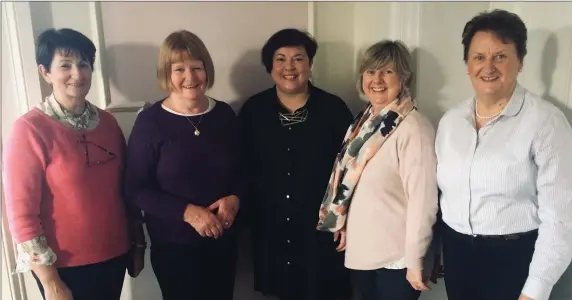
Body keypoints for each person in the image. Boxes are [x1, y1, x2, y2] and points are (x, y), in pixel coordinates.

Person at [436, 9, 572, 300]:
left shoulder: (546, 122)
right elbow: (443, 196)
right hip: (457, 254)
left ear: (520, 61)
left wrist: (536, 289)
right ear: (467, 64)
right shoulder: (450, 122)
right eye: (479, 57)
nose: (488, 67)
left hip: (513, 260)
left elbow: (561, 217)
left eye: (500, 56)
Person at [2, 28, 145, 300]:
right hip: (63, 268)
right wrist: (50, 281)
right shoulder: (29, 130)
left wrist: (138, 244)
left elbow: (127, 190)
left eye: (83, 64)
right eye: (65, 65)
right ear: (45, 72)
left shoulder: (108, 123)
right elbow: (22, 215)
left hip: (114, 256)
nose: (77, 74)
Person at [124, 30, 242, 300]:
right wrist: (188, 212)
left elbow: (243, 170)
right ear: (167, 74)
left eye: (196, 67)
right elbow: (135, 188)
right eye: (179, 69)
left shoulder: (224, 114)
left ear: (206, 70)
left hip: (222, 243)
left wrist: (236, 197)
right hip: (174, 248)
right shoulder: (150, 122)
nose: (190, 77)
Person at [316, 40, 439, 300]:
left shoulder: (413, 127)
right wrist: (344, 222)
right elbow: (355, 186)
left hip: (396, 259)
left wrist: (416, 260)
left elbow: (423, 200)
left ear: (404, 78)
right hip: (364, 253)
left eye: (388, 71)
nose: (377, 79)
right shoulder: (364, 123)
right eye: (371, 71)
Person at [239, 28, 353, 300]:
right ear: (270, 66)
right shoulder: (254, 111)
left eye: (298, 58)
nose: (289, 67)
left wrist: (348, 220)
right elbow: (242, 167)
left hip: (322, 234)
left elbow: (351, 170)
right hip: (272, 233)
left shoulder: (333, 109)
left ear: (310, 64)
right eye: (280, 59)